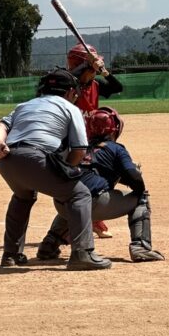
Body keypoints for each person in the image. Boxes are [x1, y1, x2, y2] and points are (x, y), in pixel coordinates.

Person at [0, 68, 111, 270]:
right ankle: (83, 253)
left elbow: (0, 126)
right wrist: (67, 171)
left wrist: (0, 144)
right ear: (71, 92)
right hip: (36, 157)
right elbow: (80, 149)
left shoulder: (24, 105)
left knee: (22, 197)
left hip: (7, 160)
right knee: (79, 194)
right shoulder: (70, 108)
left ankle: (11, 254)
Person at [36, 107, 165, 263]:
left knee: (72, 198)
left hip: (60, 203)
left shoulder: (81, 146)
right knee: (141, 199)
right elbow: (133, 177)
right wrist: (138, 185)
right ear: (114, 129)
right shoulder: (116, 148)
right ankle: (141, 247)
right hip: (94, 203)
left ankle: (49, 245)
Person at [67, 43, 124, 239]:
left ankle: (92, 219)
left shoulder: (96, 85)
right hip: (72, 142)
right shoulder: (69, 85)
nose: (93, 73)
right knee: (75, 182)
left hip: (91, 140)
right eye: (90, 69)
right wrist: (87, 64)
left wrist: (104, 71)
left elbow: (118, 87)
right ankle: (78, 223)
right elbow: (74, 77)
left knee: (97, 177)